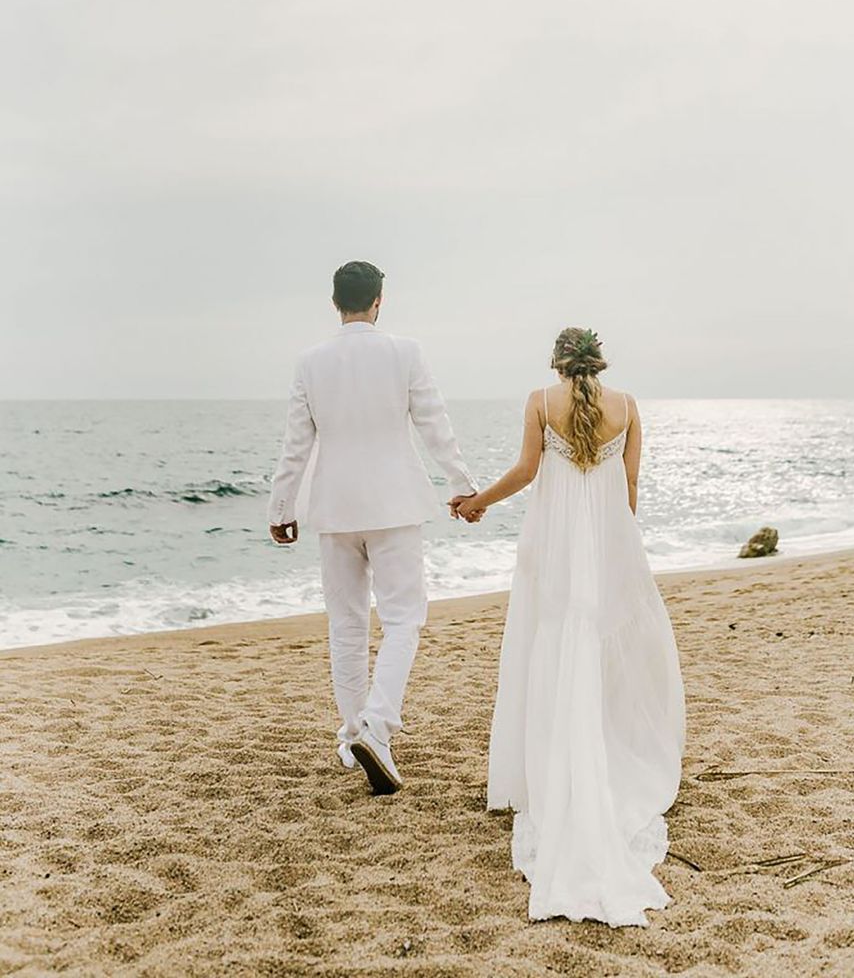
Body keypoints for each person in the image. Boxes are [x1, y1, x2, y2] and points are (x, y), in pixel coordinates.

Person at [454, 327, 686, 927]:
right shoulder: (628, 406)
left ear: (556, 363)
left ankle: (556, 762)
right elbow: (629, 490)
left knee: (553, 649)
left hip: (554, 553)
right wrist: (616, 547)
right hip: (608, 551)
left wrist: (478, 499)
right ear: (599, 361)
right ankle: (605, 752)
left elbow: (527, 471)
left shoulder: (540, 400)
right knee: (609, 652)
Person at [267, 260, 480, 796]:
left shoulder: (309, 362)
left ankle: (351, 734)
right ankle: (377, 728)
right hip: (395, 506)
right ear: (379, 301)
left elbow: (297, 444)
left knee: (346, 625)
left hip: (335, 510)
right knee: (405, 620)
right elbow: (435, 424)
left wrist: (281, 508)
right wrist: (463, 484)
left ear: (334, 303)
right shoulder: (404, 352)